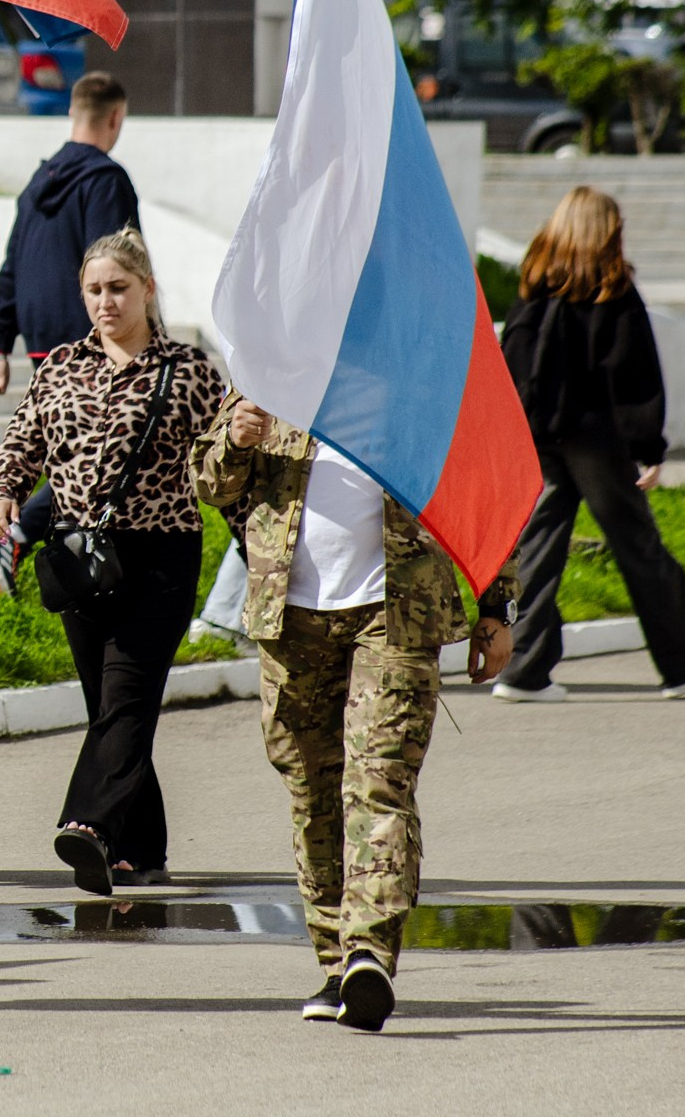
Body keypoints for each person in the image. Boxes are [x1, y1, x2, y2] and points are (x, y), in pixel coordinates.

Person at [193, 395, 513, 1032]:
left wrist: (497, 603)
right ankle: (336, 961)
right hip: (291, 619)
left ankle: (370, 955)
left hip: (396, 613)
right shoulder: (275, 364)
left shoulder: (416, 372)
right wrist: (234, 437)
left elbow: (482, 483)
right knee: (313, 792)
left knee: (380, 781)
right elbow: (209, 480)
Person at [0, 228, 222, 893]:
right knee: (109, 706)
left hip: (162, 553)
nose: (106, 302)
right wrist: (3, 497)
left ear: (147, 289)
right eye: (94, 290)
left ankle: (90, 826)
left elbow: (229, 467)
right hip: (80, 557)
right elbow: (21, 443)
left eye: (119, 288)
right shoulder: (59, 367)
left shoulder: (190, 370)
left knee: (127, 696)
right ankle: (144, 847)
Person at [496, 185, 685, 701]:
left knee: (538, 550)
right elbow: (632, 375)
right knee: (638, 547)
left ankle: (523, 671)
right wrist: (649, 448)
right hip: (595, 441)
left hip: (539, 438)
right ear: (608, 231)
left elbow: (513, 361)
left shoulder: (534, 289)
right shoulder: (613, 291)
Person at [0, 71, 141, 595]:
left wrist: (1, 341)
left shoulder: (38, 181)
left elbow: (11, 263)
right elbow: (116, 265)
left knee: (76, 449)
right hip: (93, 338)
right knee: (105, 449)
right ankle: (14, 531)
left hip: (42, 335)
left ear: (74, 113)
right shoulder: (106, 182)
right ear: (115, 118)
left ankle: (45, 539)